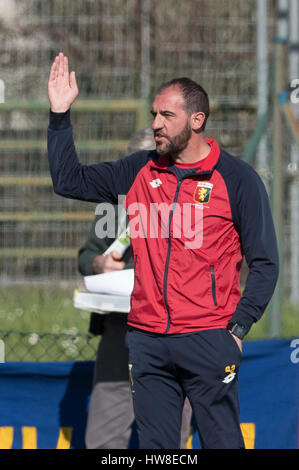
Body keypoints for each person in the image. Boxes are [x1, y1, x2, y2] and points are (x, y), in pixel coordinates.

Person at [47, 53, 279, 449]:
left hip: (209, 337)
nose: (155, 123)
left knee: (223, 442)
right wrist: (59, 114)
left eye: (166, 115)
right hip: (147, 339)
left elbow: (266, 264)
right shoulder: (139, 169)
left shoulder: (237, 179)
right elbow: (69, 181)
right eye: (154, 113)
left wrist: (237, 329)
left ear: (196, 120)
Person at [78, 130, 193, 449]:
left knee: (170, 436)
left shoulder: (191, 203)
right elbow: (87, 255)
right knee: (105, 435)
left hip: (175, 331)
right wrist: (100, 264)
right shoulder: (114, 207)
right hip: (121, 327)